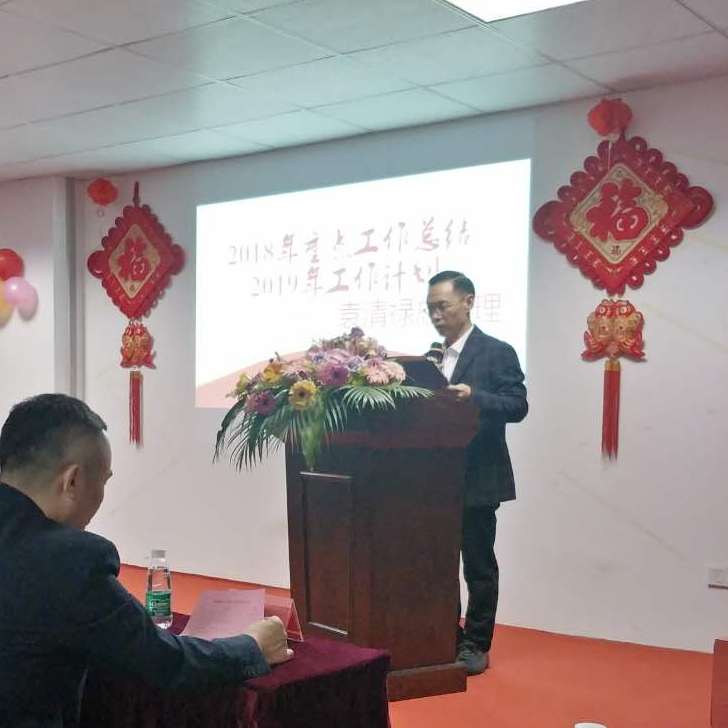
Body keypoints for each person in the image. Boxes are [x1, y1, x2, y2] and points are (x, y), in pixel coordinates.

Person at [0, 393, 292, 728]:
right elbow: (164, 662)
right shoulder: (69, 560)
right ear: (73, 481)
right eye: (103, 481)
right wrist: (252, 647)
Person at [426, 271, 528, 676]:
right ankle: (444, 635)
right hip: (435, 481)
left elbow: (517, 405)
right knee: (438, 564)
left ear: (468, 301)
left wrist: (475, 397)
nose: (436, 315)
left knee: (478, 566)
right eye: (430, 308)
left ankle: (476, 644)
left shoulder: (496, 352)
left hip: (479, 476)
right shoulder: (430, 357)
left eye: (442, 306)